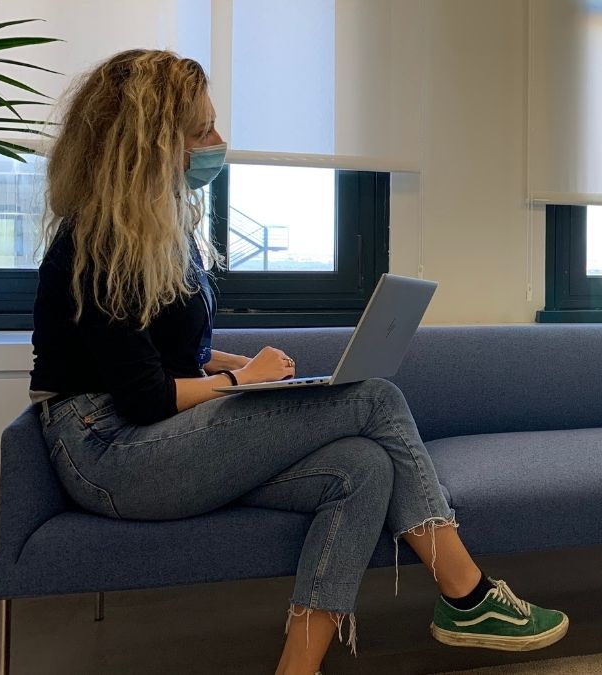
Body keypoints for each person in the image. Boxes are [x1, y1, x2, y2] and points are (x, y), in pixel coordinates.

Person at [29, 49, 568, 675]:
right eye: (202, 131)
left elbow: (162, 356)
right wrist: (241, 380)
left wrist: (234, 364)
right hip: (108, 453)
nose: (219, 142)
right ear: (146, 147)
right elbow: (143, 396)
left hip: (151, 437)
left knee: (363, 467)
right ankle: (467, 596)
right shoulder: (96, 243)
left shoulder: (157, 234)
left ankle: (298, 669)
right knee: (375, 398)